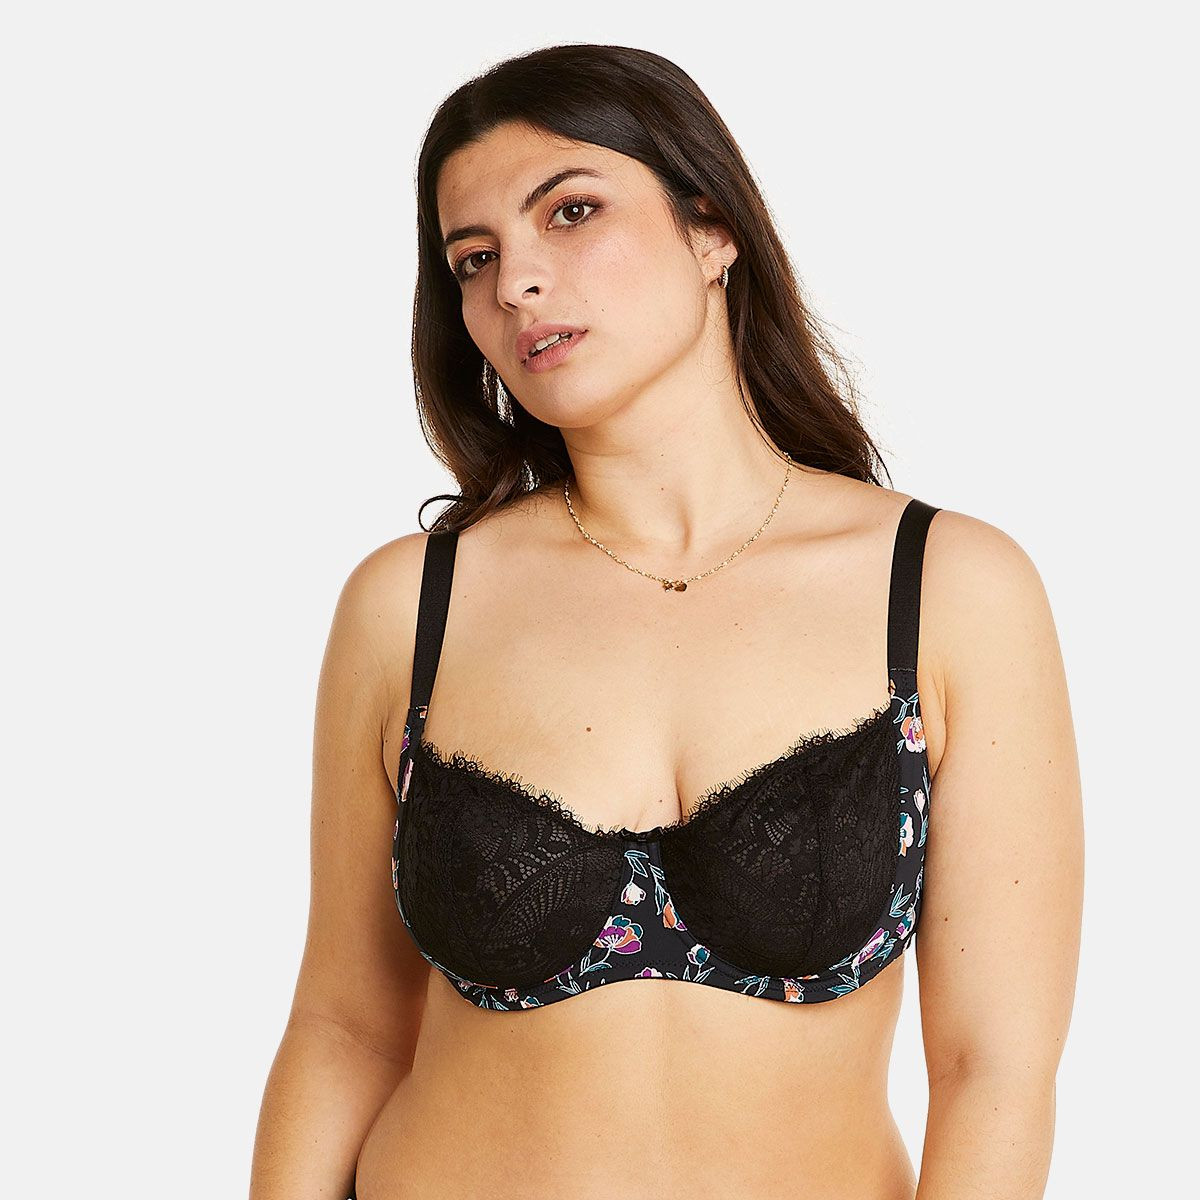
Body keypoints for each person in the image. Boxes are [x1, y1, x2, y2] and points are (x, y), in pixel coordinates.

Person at [249, 44, 1083, 1200]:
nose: (516, 283)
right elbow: (346, 1024)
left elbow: (994, 1068)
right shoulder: (414, 604)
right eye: (475, 259)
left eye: (571, 212)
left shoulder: (947, 588)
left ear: (712, 229)